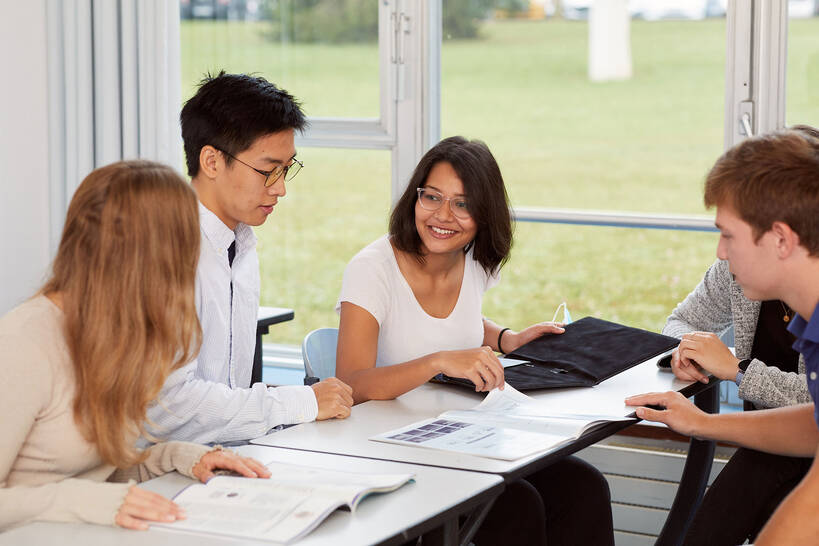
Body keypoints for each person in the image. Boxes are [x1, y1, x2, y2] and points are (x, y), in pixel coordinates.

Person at [336, 136, 614, 546]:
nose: (443, 215)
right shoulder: (372, 269)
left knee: (583, 487)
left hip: (464, 436)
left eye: (463, 204)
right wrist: (437, 362)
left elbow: (456, 318)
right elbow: (350, 385)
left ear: (484, 214)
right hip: (393, 452)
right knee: (516, 505)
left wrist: (507, 338)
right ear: (415, 196)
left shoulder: (473, 259)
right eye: (432, 197)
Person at [0, 161, 271, 531]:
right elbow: (83, 495)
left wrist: (180, 457)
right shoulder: (24, 344)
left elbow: (99, 473)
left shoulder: (123, 336)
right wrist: (84, 501)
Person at [626, 126, 819, 545]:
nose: (720, 251)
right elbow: (815, 425)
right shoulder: (809, 321)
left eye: (728, 234)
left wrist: (735, 371)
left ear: (781, 239)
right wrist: (702, 423)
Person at [147, 72, 353, 444]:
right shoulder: (163, 251)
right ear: (211, 161)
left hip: (223, 461)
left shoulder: (240, 242)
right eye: (268, 170)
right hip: (156, 475)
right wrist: (298, 402)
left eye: (287, 169)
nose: (281, 188)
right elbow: (168, 408)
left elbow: (226, 390)